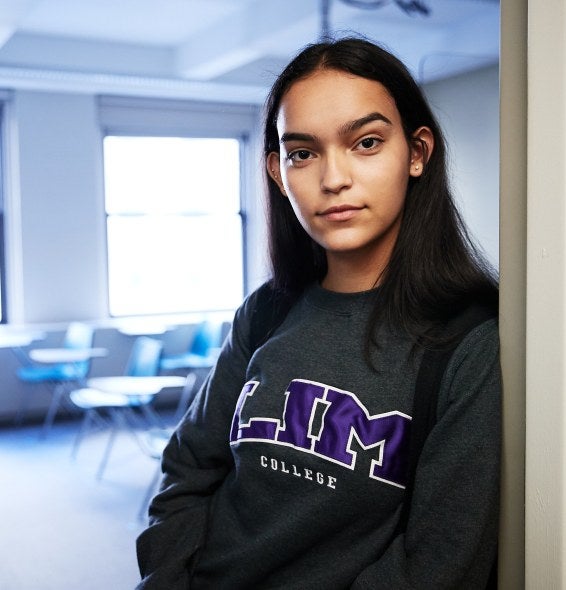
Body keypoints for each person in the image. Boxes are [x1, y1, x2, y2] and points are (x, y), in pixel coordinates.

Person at [136, 37, 501, 589]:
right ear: (279, 173)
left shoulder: (468, 341)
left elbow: (438, 563)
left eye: (367, 142)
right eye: (303, 153)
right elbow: (187, 470)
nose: (333, 179)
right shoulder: (266, 312)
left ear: (418, 153)